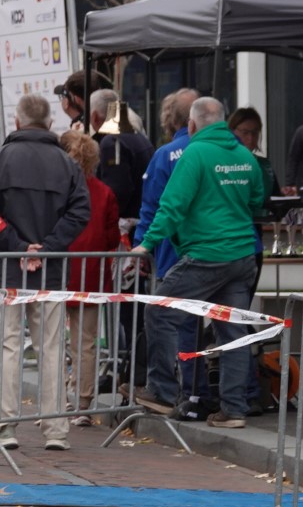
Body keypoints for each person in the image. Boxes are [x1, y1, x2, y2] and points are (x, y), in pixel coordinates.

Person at [132, 98, 267, 429]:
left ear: (192, 125)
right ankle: (233, 409)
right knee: (232, 331)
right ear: (223, 122)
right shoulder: (244, 156)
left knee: (159, 310)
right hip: (242, 255)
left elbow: (172, 205)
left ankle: (161, 391)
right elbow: (257, 199)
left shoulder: (194, 154)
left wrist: (147, 242)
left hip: (206, 254)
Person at [0, 93, 91, 450]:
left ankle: (2, 427)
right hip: (50, 272)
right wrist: (48, 247)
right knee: (51, 348)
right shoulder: (68, 165)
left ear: (17, 121)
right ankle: (56, 429)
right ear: (50, 123)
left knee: (6, 347)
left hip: (4, 269)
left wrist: (18, 246)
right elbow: (80, 213)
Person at [135, 88, 200, 407]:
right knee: (220, 323)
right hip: (224, 250)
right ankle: (209, 393)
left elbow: (152, 208)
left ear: (171, 120)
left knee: (177, 320)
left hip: (173, 251)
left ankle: (179, 391)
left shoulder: (166, 155)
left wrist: (141, 247)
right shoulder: (222, 150)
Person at [57, 131, 119, 428]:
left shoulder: (56, 190)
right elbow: (111, 238)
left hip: (56, 272)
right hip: (92, 274)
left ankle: (57, 400)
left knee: (53, 341)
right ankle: (83, 403)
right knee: (86, 343)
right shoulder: (104, 192)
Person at [89, 88, 153, 224]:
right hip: (144, 219)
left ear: (94, 116)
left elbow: (116, 192)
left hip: (125, 227)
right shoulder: (138, 136)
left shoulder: (112, 142)